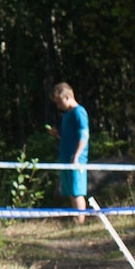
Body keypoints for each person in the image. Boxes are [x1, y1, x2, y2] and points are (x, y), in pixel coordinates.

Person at [48, 82, 89, 222]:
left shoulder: (79, 112)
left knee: (77, 191)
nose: (58, 106)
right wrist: (56, 134)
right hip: (66, 157)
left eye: (59, 102)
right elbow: (67, 138)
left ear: (66, 97)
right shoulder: (67, 115)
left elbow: (84, 135)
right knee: (71, 191)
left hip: (76, 159)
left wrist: (77, 156)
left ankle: (80, 222)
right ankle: (76, 220)